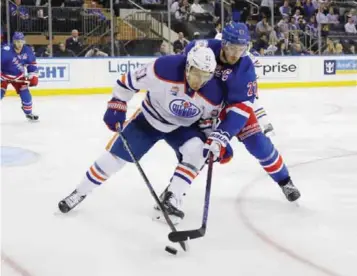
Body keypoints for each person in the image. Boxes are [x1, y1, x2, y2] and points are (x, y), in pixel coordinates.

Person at [58, 46, 231, 222]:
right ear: (188, 66)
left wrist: (215, 142)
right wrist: (117, 102)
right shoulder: (163, 68)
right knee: (115, 158)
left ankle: (172, 198)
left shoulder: (215, 93)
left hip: (182, 127)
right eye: (196, 73)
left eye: (205, 75)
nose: (199, 80)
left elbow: (207, 123)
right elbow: (127, 82)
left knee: (198, 151)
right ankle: (80, 192)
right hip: (149, 120)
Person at [155, 22, 300, 222]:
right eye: (232, 48)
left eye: (241, 49)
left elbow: (241, 108)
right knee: (201, 152)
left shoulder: (245, 66)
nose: (235, 54)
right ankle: (173, 193)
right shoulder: (203, 48)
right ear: (223, 43)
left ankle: (285, 181)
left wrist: (222, 135)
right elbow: (184, 67)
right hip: (204, 109)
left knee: (259, 145)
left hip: (233, 110)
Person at [1, 32, 39, 121]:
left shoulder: (27, 50)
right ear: (13, 41)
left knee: (25, 94)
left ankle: (28, 113)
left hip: (19, 76)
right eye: (17, 41)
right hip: (3, 76)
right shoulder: (5, 50)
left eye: (21, 41)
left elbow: (32, 64)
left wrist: (33, 76)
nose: (19, 43)